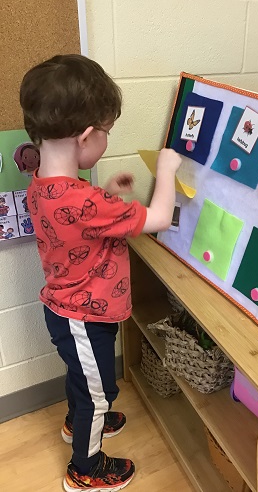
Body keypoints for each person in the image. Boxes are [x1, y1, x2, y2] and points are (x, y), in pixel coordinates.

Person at [20, 54, 181, 492]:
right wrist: (166, 170)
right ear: (87, 137)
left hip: (68, 312)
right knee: (97, 389)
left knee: (83, 378)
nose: (107, 141)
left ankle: (80, 422)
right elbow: (161, 217)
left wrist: (105, 194)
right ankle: (86, 469)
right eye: (107, 132)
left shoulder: (41, 183)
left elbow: (74, 220)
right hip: (84, 318)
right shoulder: (83, 203)